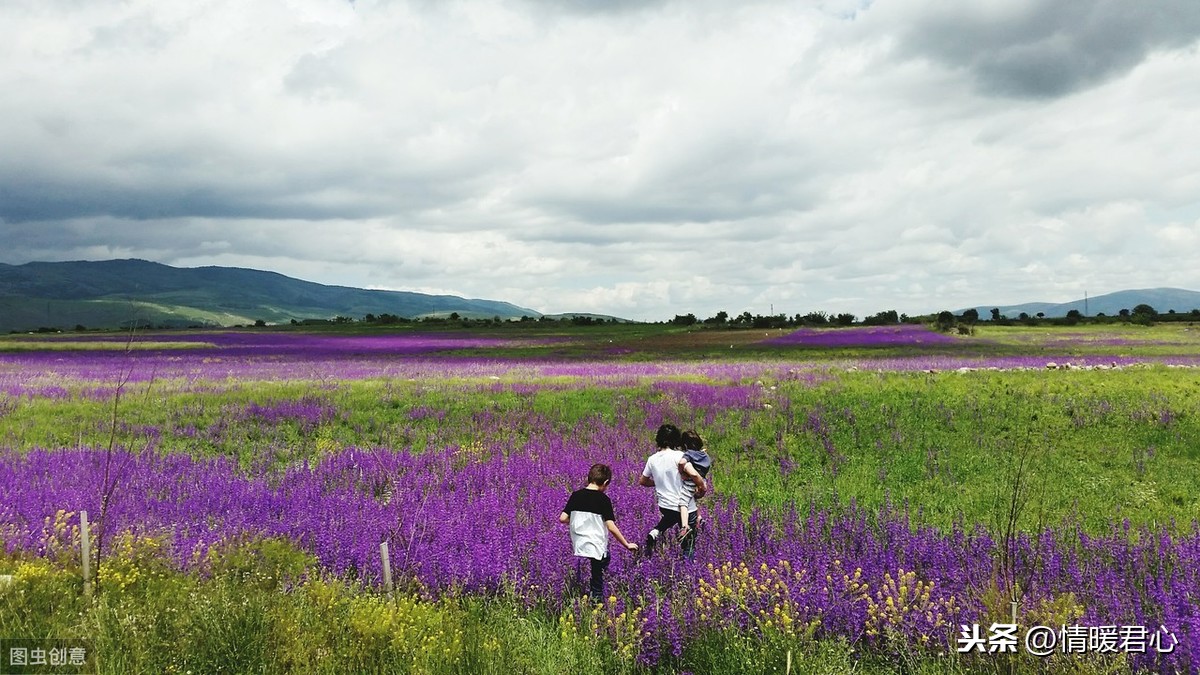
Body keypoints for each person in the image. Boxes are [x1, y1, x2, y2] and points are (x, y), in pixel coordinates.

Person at [559, 463, 638, 602]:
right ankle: (596, 603)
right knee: (599, 574)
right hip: (596, 545)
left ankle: (585, 595)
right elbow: (611, 527)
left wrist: (578, 520)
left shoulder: (576, 495)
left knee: (593, 565)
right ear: (606, 483)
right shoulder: (604, 500)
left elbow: (563, 518)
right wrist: (626, 544)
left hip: (579, 544)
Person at [638, 424, 707, 558]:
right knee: (689, 542)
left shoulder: (652, 459)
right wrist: (702, 487)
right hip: (686, 508)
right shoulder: (680, 456)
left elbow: (643, 481)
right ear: (676, 440)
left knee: (670, 518)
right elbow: (694, 474)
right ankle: (688, 569)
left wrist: (659, 482)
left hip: (665, 506)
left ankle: (655, 532)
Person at [676, 430, 711, 542]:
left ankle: (685, 526)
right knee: (693, 499)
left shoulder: (689, 454)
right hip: (703, 480)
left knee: (683, 502)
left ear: (685, 445)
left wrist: (681, 473)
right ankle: (699, 518)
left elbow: (682, 462)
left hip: (692, 481)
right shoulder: (703, 454)